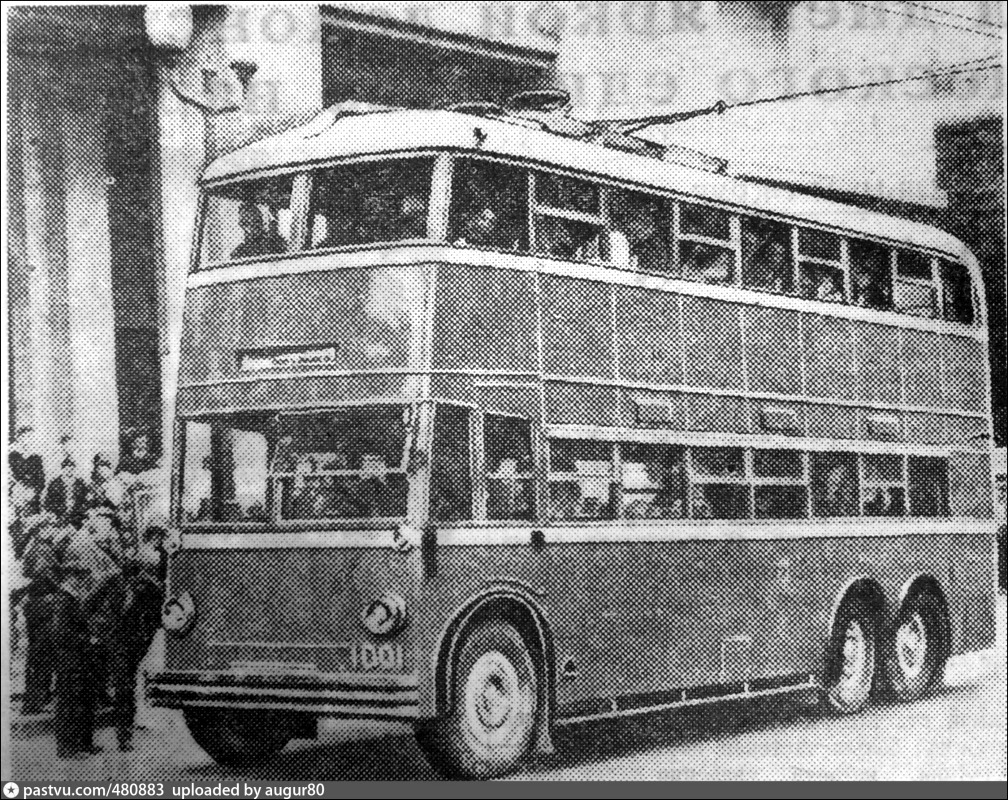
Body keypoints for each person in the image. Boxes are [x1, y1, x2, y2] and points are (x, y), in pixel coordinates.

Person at [54, 509, 127, 757]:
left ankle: (84, 743)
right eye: (82, 575)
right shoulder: (67, 597)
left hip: (82, 651)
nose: (86, 578)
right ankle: (68, 747)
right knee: (70, 700)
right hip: (72, 655)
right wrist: (87, 640)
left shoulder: (75, 595)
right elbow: (63, 632)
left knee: (86, 698)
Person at [44, 455, 88, 527]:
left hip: (77, 518)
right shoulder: (54, 484)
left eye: (71, 468)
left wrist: (79, 512)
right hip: (59, 517)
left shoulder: (80, 484)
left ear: (74, 469)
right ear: (62, 469)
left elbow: (85, 501)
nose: (69, 471)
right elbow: (48, 502)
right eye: (66, 468)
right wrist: (58, 512)